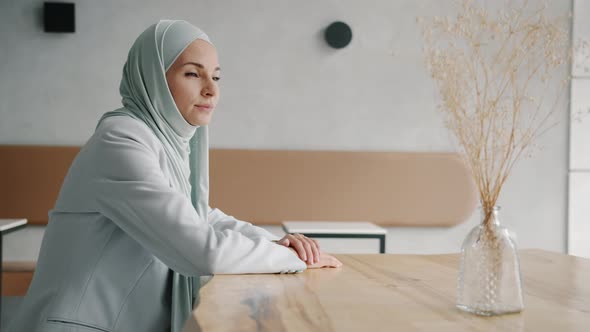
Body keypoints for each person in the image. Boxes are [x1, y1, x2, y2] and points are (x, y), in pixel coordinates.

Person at [8, 20, 342, 332]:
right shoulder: (120, 140)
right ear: (153, 77)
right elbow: (200, 250)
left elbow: (200, 217)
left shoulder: (167, 140)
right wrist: (290, 258)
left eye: (217, 76)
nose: (211, 90)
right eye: (193, 74)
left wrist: (272, 242)